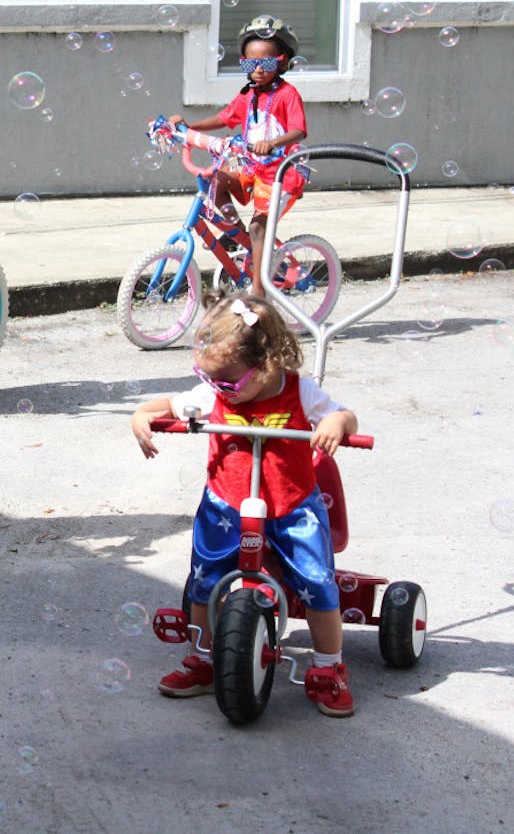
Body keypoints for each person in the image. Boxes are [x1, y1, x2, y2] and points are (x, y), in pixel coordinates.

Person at [130, 292, 359, 717]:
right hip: (225, 505)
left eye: (230, 382)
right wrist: (142, 415)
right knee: (204, 583)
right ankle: (203, 657)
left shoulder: (299, 392)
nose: (220, 390)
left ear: (268, 362)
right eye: (209, 378)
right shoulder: (214, 393)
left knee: (318, 584)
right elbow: (167, 405)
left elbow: (345, 417)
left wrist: (333, 423)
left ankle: (329, 667)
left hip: (292, 508)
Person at [169, 15, 308, 298]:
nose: (257, 69)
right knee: (216, 180)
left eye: (266, 63)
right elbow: (223, 118)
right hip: (254, 168)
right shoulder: (248, 95)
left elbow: (299, 130)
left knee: (260, 226)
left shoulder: (287, 94)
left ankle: (258, 293)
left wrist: (272, 143)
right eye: (250, 63)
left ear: (282, 62)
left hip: (283, 174)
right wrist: (188, 126)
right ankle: (237, 232)